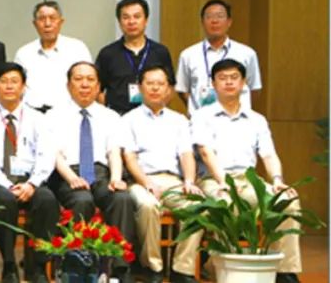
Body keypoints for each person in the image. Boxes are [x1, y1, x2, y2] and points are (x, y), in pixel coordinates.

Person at [191, 59, 302, 282]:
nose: (229, 82)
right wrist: (224, 182)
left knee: (287, 201)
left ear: (243, 83)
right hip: (215, 180)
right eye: (222, 78)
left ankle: (284, 271)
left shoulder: (257, 120)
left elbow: (268, 154)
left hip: (249, 180)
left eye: (234, 77)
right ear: (213, 84)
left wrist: (277, 180)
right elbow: (205, 152)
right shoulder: (202, 116)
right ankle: (224, 268)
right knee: (225, 203)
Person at [48, 62, 136, 283]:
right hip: (68, 173)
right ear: (68, 85)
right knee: (82, 200)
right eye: (78, 79)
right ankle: (74, 266)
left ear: (98, 86)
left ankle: (120, 269)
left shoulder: (111, 116)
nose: (84, 85)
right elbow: (53, 154)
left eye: (90, 80)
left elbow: (114, 152)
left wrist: (116, 178)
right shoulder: (53, 115)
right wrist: (72, 178)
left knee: (122, 198)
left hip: (101, 173)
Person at [0, 63, 58, 283]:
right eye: (3, 82)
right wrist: (6, 185)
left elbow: (46, 155)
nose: (9, 86)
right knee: (4, 199)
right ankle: (9, 265)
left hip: (30, 180)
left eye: (14, 81)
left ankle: (39, 267)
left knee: (47, 200)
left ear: (23, 87)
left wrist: (32, 184)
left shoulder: (38, 118)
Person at [120, 65, 200, 283]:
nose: (155, 88)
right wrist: (146, 182)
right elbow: (129, 158)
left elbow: (186, 155)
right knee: (148, 205)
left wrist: (189, 181)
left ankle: (182, 269)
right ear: (140, 88)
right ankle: (152, 267)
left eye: (160, 84)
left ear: (169, 90)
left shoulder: (180, 120)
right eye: (150, 83)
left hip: (174, 181)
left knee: (197, 207)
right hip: (140, 181)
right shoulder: (128, 119)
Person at [175, 0, 262, 113]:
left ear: (229, 22)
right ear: (202, 22)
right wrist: (196, 111)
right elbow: (182, 89)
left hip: (236, 119)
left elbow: (254, 89)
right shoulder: (188, 55)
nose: (214, 21)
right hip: (200, 120)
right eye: (209, 17)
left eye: (220, 16)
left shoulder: (247, 53)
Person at [96, 0, 174, 115]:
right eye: (126, 17)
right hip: (118, 116)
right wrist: (109, 114)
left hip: (152, 116)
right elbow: (98, 90)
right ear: (119, 22)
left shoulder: (160, 51)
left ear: (146, 20)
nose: (131, 22)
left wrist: (157, 110)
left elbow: (170, 87)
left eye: (137, 16)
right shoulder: (107, 53)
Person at [14, 1, 92, 113]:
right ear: (34, 24)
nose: (47, 24)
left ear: (61, 22)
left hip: (68, 114)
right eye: (42, 19)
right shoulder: (23, 53)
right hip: (32, 115)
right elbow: (17, 88)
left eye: (52, 18)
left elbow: (88, 83)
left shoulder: (77, 49)